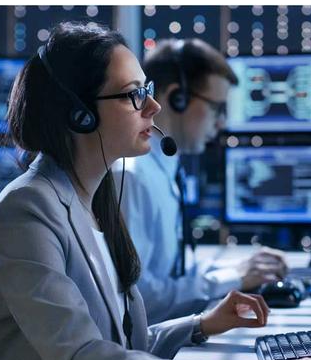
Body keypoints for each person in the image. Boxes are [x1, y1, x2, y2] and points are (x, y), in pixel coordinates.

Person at [0, 21, 311, 360]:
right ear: (80, 114)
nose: (153, 106)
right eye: (134, 95)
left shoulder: (93, 200)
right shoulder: (27, 209)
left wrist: (202, 324)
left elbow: (121, 345)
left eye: (147, 90)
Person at [113, 38, 288, 324]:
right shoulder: (131, 178)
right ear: (176, 98)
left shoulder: (165, 169)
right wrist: (235, 277)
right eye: (217, 108)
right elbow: (139, 299)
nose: (222, 124)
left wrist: (240, 269)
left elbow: (173, 271)